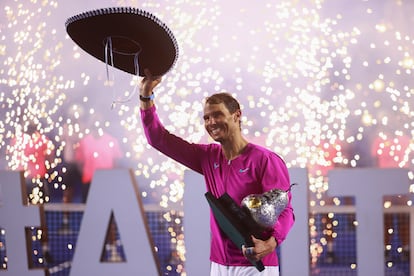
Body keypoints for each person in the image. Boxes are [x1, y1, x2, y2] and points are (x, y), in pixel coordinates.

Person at [139, 69, 295, 276]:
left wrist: (272, 242)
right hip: (219, 265)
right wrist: (145, 95)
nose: (211, 122)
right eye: (206, 118)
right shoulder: (208, 157)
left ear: (236, 115)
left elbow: (286, 210)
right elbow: (158, 139)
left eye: (217, 115)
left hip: (256, 266)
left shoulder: (265, 160)